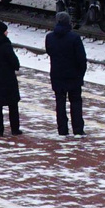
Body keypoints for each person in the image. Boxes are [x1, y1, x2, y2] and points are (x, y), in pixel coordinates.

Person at [44, 8, 87, 137]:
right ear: (69, 22)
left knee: (60, 103)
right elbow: (81, 59)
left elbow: (50, 52)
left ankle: (62, 130)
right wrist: (80, 74)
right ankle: (78, 129)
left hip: (57, 76)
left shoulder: (49, 37)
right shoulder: (74, 38)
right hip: (73, 76)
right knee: (75, 103)